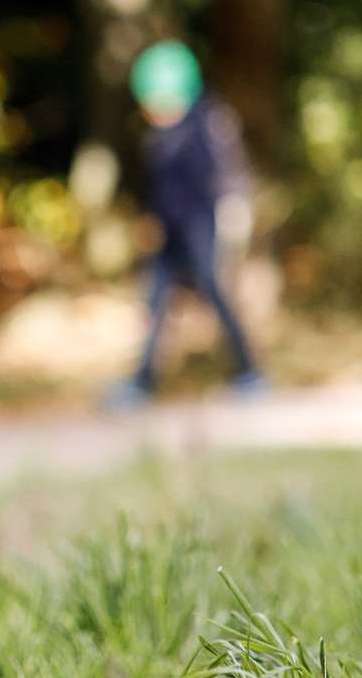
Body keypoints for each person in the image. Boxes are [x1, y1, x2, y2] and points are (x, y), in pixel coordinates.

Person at [106, 40, 264, 409]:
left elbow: (230, 173)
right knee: (156, 302)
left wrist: (234, 213)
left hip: (203, 228)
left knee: (217, 294)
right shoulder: (161, 133)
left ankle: (250, 372)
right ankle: (142, 383)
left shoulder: (209, 121)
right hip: (172, 234)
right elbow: (160, 188)